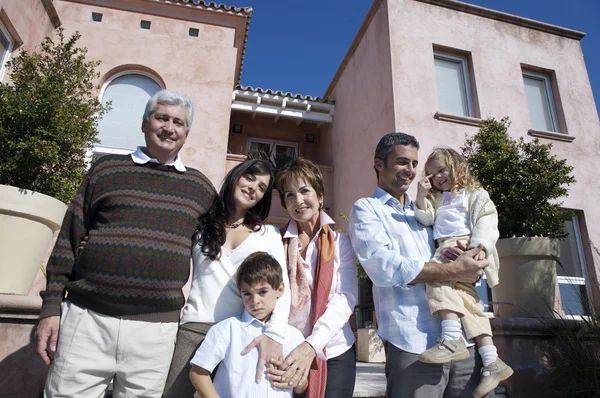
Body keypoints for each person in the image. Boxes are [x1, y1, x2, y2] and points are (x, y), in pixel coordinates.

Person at [35, 90, 218, 397]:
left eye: (178, 122)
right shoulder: (106, 170)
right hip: (86, 320)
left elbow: (222, 240)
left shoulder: (200, 188)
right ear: (145, 123)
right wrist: (51, 306)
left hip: (155, 333)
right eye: (161, 118)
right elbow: (69, 237)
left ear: (187, 133)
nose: (169, 128)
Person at [347, 132, 494, 398]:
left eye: (415, 164)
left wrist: (474, 259)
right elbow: (386, 268)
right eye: (403, 162)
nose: (411, 171)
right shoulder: (367, 210)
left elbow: (466, 243)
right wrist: (455, 270)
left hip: (463, 339)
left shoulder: (429, 209)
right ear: (380, 165)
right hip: (413, 344)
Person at [162, 157, 291, 397]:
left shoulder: (268, 234)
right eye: (249, 178)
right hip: (195, 328)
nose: (253, 188)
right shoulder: (200, 225)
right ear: (236, 176)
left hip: (241, 335)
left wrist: (274, 334)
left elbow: (282, 291)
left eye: (262, 187)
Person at [414, 147, 512, 398]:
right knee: (468, 303)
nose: (437, 177)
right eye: (432, 174)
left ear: (457, 167)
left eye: (442, 169)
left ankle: (451, 337)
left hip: (463, 245)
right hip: (448, 244)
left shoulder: (475, 194)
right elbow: (426, 219)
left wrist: (476, 249)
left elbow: (487, 221)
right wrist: (422, 194)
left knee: (437, 278)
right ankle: (492, 361)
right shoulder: (438, 199)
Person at [268, 157, 358, 398]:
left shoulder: (341, 243)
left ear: (320, 196)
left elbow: (345, 298)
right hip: (289, 348)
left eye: (304, 191)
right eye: (289, 195)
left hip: (335, 349)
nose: (298, 201)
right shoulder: (277, 243)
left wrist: (311, 345)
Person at [189, 251, 307, 397]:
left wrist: (298, 381)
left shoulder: (295, 337)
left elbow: (300, 388)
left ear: (280, 289)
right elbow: (198, 373)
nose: (255, 300)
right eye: (247, 294)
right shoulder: (227, 329)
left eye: (262, 292)